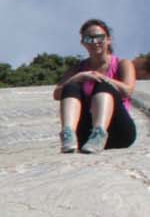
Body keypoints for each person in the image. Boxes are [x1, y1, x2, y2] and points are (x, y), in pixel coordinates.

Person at [54, 18, 137, 154]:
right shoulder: (77, 68)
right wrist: (76, 78)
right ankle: (68, 133)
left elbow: (128, 91)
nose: (94, 42)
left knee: (104, 85)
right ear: (83, 43)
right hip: (85, 135)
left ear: (108, 39)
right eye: (88, 39)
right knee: (70, 87)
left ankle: (100, 133)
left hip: (119, 132)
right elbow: (57, 94)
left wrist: (102, 78)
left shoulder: (122, 64)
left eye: (99, 37)